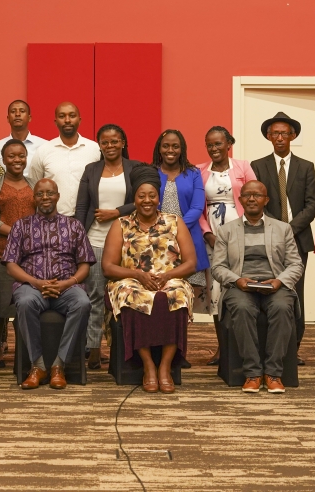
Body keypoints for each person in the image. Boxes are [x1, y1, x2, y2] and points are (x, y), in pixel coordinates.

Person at [103, 165, 200, 394]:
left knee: (176, 294)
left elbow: (190, 263)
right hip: (131, 279)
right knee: (134, 294)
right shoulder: (121, 224)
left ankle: (165, 366)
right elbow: (107, 266)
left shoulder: (174, 221)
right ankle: (148, 365)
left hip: (170, 278)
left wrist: (167, 276)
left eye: (152, 195)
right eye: (141, 195)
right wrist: (137, 274)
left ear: (158, 197)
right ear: (134, 198)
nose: (147, 200)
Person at [211, 181, 304, 394]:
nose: (252, 199)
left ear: (266, 200)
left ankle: (272, 374)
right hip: (240, 286)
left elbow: (295, 264)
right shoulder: (226, 231)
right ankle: (252, 373)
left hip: (275, 285)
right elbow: (217, 266)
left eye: (257, 195)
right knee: (242, 308)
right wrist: (237, 280)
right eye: (247, 195)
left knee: (282, 308)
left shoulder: (283, 229)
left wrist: (279, 281)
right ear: (241, 199)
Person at [4, 179, 93, 389]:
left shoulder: (74, 225)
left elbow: (85, 265)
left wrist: (66, 284)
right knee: (24, 302)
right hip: (31, 286)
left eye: (50, 193)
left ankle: (58, 365)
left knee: (82, 303)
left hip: (67, 287)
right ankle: (38, 365)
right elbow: (10, 265)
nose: (45, 198)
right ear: (34, 198)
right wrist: (35, 282)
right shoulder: (21, 226)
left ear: (58, 196)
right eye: (40, 194)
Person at [249, 112, 315, 365]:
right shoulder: (257, 165)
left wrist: (288, 229)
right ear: (269, 137)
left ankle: (293, 347)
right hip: (265, 238)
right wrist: (276, 228)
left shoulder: (306, 166)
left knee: (294, 292)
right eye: (275, 133)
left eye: (284, 133)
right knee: (266, 290)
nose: (279, 138)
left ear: (293, 136)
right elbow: (254, 201)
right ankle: (265, 345)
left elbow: (311, 205)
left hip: (297, 240)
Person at [74, 123, 138, 370]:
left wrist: (116, 212)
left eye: (115, 141)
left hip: (127, 243)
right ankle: (93, 349)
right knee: (94, 297)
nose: (110, 146)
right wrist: (78, 239)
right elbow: (82, 207)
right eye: (105, 142)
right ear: (99, 145)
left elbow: (145, 199)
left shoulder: (135, 168)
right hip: (95, 241)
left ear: (123, 142)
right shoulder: (92, 169)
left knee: (124, 297)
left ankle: (123, 348)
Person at [197, 126, 256, 364]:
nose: (214, 149)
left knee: (241, 287)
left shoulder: (243, 166)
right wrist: (207, 233)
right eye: (209, 145)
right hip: (212, 237)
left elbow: (255, 198)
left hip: (242, 234)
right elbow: (198, 208)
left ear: (228, 144)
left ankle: (241, 348)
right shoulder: (199, 171)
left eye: (218, 144)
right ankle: (222, 348)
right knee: (216, 293)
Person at [0, 139, 36, 368]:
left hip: (32, 256)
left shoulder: (35, 184)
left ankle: (25, 347)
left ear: (26, 158)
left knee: (25, 303)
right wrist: (17, 232)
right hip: (1, 253)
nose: (16, 160)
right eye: (11, 156)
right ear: (3, 159)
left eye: (21, 155)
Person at [151, 129, 210, 329]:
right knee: (157, 297)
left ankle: (178, 350)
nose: (170, 150)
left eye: (175, 146)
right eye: (166, 145)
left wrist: (176, 229)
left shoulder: (193, 173)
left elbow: (197, 206)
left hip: (187, 242)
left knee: (182, 300)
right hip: (155, 243)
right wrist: (162, 231)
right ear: (159, 148)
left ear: (182, 148)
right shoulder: (151, 171)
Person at [27, 102, 100, 216]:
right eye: (62, 116)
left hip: (88, 220)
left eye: (72, 116)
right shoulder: (43, 151)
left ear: (79, 120)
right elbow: (34, 185)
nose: (67, 120)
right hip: (52, 220)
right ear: (55, 122)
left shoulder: (95, 149)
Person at [0, 99, 47, 175]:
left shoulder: (44, 146)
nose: (17, 114)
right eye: (13, 111)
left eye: (22, 111)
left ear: (29, 118)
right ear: (8, 118)